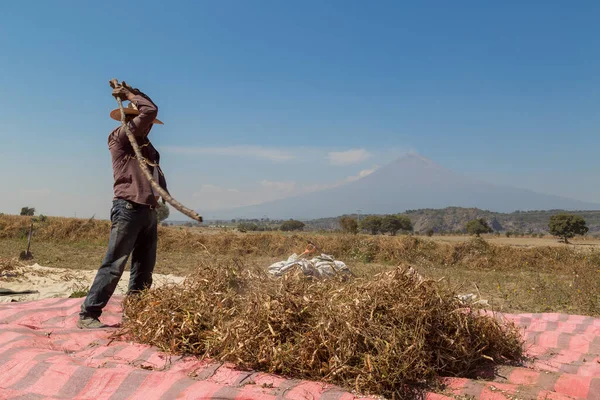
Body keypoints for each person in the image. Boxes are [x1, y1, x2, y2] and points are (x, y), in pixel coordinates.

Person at [78, 83, 168, 329]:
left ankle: (135, 315)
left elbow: (156, 174)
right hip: (127, 209)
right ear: (132, 119)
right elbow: (150, 110)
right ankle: (89, 314)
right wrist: (130, 96)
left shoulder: (148, 148)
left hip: (148, 211)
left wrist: (163, 197)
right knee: (115, 263)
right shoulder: (120, 138)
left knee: (143, 267)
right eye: (143, 121)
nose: (148, 124)